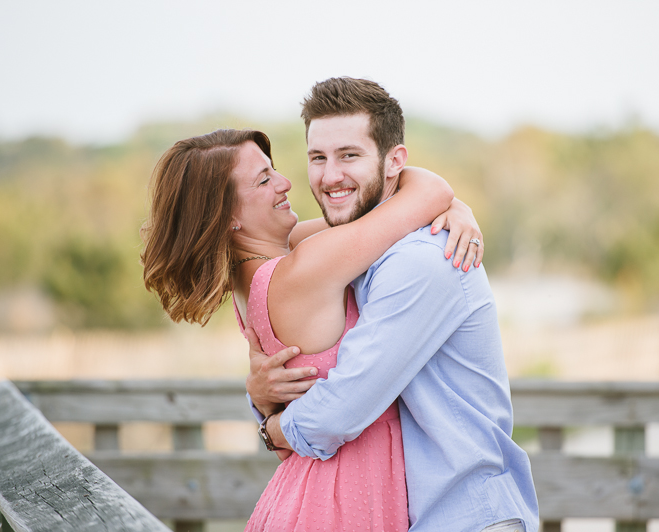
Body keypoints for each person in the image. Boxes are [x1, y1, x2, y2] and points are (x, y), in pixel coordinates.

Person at [140, 127, 483, 531]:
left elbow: (397, 208)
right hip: (342, 497)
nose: (286, 183)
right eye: (264, 180)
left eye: (275, 170)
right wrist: (455, 206)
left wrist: (454, 207)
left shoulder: (254, 269)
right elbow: (427, 194)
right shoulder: (303, 270)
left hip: (317, 488)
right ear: (227, 214)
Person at [247, 77, 540, 532]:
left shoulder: (422, 259)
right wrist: (260, 395)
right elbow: (272, 247)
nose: (329, 176)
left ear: (393, 161)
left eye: (349, 155)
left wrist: (271, 430)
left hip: (464, 515)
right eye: (317, 158)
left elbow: (344, 405)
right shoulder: (360, 246)